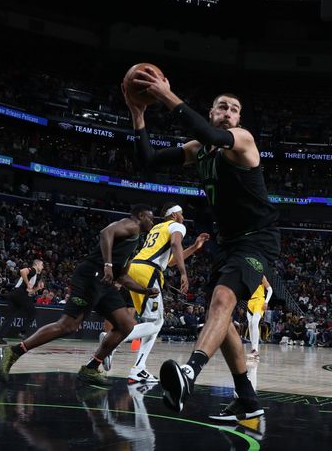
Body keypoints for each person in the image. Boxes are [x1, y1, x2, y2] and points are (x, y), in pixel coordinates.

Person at [127, 68, 280, 422]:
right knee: (221, 320)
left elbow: (209, 133)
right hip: (228, 244)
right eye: (221, 107)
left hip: (258, 240)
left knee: (223, 300)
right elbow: (147, 161)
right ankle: (247, 399)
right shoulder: (198, 150)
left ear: (237, 119)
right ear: (211, 111)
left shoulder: (241, 139)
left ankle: (190, 373)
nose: (227, 112)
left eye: (233, 109)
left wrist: (166, 94)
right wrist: (138, 115)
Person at [0, 205, 159, 385]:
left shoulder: (134, 242)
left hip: (105, 283)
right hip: (91, 276)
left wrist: (144, 291)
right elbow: (106, 233)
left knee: (126, 324)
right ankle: (13, 351)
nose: (152, 222)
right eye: (150, 218)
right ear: (141, 216)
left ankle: (90, 368)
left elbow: (122, 276)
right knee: (68, 325)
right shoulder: (131, 225)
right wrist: (108, 265)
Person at [101, 203, 209, 384]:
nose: (183, 217)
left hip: (135, 268)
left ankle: (139, 369)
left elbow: (171, 261)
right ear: (174, 215)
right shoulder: (177, 226)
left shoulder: (158, 228)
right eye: (181, 213)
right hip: (148, 272)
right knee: (157, 322)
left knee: (152, 323)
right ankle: (110, 341)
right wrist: (184, 273)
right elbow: (175, 244)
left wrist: (194, 248)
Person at [0, 259, 45, 343]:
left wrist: (37, 288)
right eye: (42, 265)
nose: (42, 267)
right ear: (37, 264)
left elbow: (29, 292)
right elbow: (22, 271)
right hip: (20, 294)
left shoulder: (34, 276)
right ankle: (22, 332)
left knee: (10, 316)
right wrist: (28, 284)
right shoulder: (33, 270)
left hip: (15, 294)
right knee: (33, 312)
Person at [246, 276, 273, 359]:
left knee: (254, 322)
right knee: (250, 324)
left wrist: (266, 302)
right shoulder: (247, 275)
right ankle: (253, 349)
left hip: (259, 300)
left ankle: (255, 350)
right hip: (250, 301)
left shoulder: (260, 275)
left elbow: (270, 290)